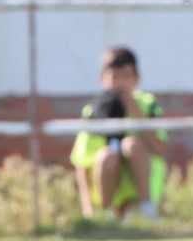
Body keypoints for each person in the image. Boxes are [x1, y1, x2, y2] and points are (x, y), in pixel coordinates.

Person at [70, 45, 166, 219]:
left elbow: (160, 149)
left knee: (132, 144)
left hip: (142, 189)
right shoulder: (93, 111)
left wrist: (135, 111)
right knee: (107, 155)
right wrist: (87, 207)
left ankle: (146, 209)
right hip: (108, 191)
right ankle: (108, 215)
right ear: (102, 79)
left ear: (137, 79)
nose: (120, 83)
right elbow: (81, 162)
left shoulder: (147, 105)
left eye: (126, 76)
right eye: (114, 77)